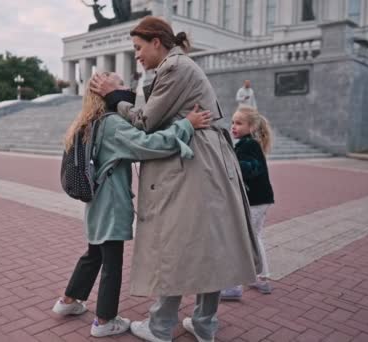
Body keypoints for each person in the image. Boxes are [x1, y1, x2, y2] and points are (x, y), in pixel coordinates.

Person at [91, 16, 262, 342]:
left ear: (157, 41)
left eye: (139, 48)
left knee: (174, 242)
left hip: (194, 165)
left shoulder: (176, 68)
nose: (137, 55)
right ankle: (203, 323)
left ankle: (160, 326)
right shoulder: (178, 67)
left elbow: (145, 120)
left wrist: (115, 95)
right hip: (206, 163)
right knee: (208, 244)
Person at [52, 72, 212, 338]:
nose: (127, 88)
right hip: (111, 204)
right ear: (107, 93)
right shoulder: (112, 123)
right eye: (121, 84)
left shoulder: (86, 122)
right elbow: (150, 145)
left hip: (95, 203)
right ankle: (104, 320)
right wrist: (186, 124)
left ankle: (67, 302)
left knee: (94, 253)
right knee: (111, 261)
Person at [220, 105, 275, 301]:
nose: (233, 126)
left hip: (255, 201)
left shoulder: (247, 145)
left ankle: (234, 286)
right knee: (255, 237)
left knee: (242, 240)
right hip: (261, 199)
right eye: (233, 122)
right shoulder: (247, 143)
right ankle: (260, 276)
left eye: (239, 123)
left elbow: (252, 168)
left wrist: (230, 163)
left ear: (251, 127)